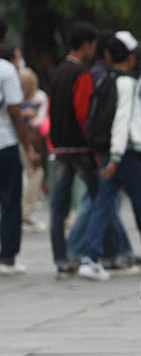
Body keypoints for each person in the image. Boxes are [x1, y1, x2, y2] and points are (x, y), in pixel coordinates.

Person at [77, 31, 141, 281]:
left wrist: (108, 157)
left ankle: (90, 257)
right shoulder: (127, 82)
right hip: (126, 153)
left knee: (103, 205)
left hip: (110, 154)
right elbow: (122, 121)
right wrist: (116, 157)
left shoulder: (104, 79)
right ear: (131, 57)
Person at [48, 20, 100, 278]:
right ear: (87, 45)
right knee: (100, 197)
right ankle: (106, 251)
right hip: (80, 149)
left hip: (60, 147)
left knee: (58, 206)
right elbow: (83, 113)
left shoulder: (57, 71)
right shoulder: (82, 74)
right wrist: (93, 144)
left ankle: (60, 258)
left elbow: (50, 109)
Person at [0, 20, 41, 275]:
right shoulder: (6, 70)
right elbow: (15, 111)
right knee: (10, 199)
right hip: (4, 142)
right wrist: (28, 148)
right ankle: (7, 257)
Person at [18, 66, 48, 233]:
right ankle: (25, 213)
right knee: (36, 173)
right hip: (21, 141)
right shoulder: (19, 100)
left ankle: (24, 212)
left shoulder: (38, 97)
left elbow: (41, 121)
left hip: (26, 141)